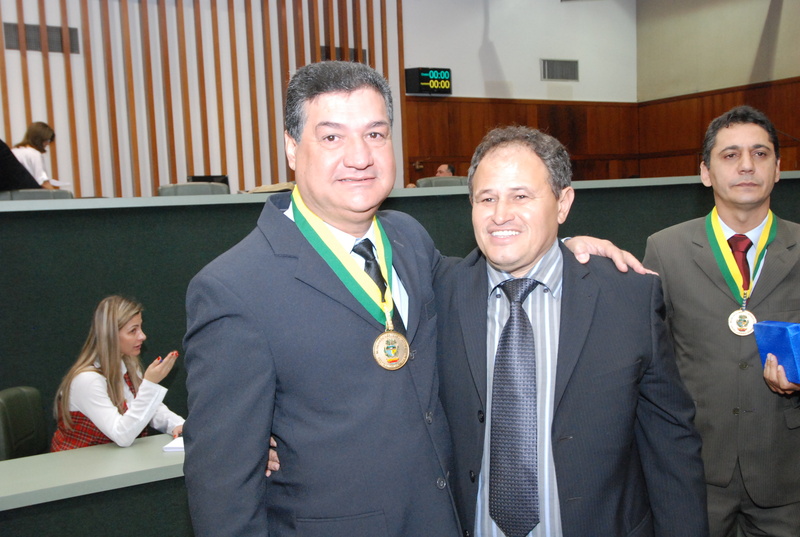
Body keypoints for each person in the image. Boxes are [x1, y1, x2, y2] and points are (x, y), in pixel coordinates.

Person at [183, 61, 643, 537]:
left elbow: (483, 278)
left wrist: (559, 249)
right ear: (291, 147)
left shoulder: (408, 240)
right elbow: (222, 494)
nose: (360, 157)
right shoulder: (234, 289)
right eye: (333, 137)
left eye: (375, 134)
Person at [436, 126, 708, 537]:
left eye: (521, 196)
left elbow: (671, 446)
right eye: (486, 198)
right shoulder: (439, 294)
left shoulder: (629, 298)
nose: (500, 214)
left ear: (563, 203)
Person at [643, 105, 800, 537]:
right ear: (705, 172)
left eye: (760, 154)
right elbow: (650, 362)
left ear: (778, 169)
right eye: (730, 155)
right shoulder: (665, 250)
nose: (747, 165)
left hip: (787, 474)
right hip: (694, 471)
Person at [51, 296, 184, 451]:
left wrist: (178, 424)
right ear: (111, 335)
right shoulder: (87, 380)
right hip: (79, 463)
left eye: (140, 328)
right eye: (133, 330)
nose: (142, 336)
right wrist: (150, 385)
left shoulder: (129, 364)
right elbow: (122, 436)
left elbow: (148, 409)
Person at [12, 122, 57, 189]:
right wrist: (56, 194)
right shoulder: (35, 154)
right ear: (39, 139)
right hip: (30, 193)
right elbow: (43, 182)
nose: (48, 143)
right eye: (47, 140)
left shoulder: (13, 151)